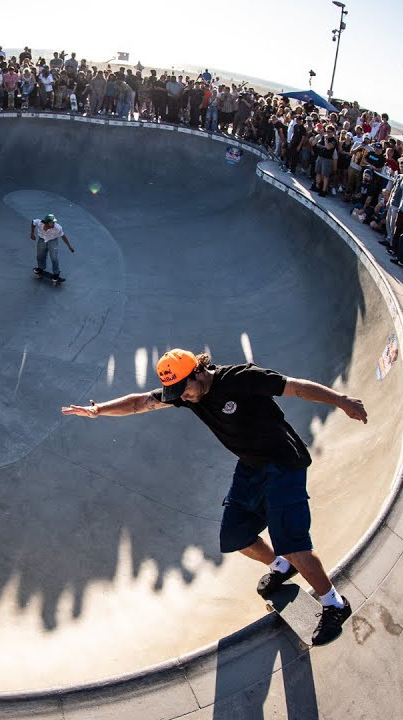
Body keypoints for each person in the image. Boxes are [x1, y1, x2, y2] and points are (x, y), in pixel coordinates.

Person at [61, 349, 369, 646]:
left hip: (283, 464)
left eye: (185, 389)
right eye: (176, 392)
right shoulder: (187, 395)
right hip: (251, 467)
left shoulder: (242, 378)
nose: (183, 397)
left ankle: (334, 604)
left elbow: (297, 387)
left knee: (293, 544)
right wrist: (98, 410)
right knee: (236, 535)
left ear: (197, 372)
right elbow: (139, 403)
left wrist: (342, 401)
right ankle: (281, 567)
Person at [30, 214, 74, 283]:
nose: (53, 224)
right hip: (42, 239)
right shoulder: (40, 223)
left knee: (54, 258)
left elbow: (63, 236)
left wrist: (69, 246)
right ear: (46, 222)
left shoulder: (58, 228)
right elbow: (33, 222)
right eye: (51, 222)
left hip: (53, 241)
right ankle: (41, 268)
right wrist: (32, 233)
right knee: (40, 256)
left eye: (53, 222)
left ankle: (56, 273)